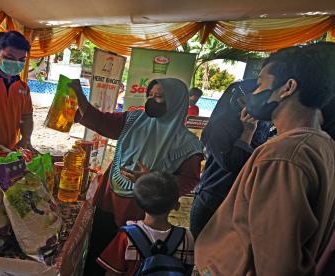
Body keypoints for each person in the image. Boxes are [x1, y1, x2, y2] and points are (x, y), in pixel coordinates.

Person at [195, 43, 335, 275]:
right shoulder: (322, 145)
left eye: (261, 82)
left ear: (287, 88)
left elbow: (276, 265)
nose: (255, 92)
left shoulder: (283, 157)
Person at [69, 78, 203, 275]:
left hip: (143, 207)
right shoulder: (133, 119)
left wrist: (154, 180)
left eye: (158, 97)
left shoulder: (187, 144)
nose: (151, 100)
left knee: (129, 258)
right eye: (149, 95)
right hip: (109, 196)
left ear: (175, 101)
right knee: (98, 252)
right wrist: (79, 94)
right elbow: (101, 121)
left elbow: (190, 179)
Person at [189, 79, 271, 239]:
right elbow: (232, 163)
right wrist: (247, 133)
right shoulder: (219, 126)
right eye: (245, 101)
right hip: (213, 199)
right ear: (234, 101)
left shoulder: (261, 126)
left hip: (243, 202)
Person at [97, 172, 195, 275]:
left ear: (138, 204)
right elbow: (186, 271)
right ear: (176, 205)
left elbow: (112, 273)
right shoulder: (186, 237)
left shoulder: (126, 236)